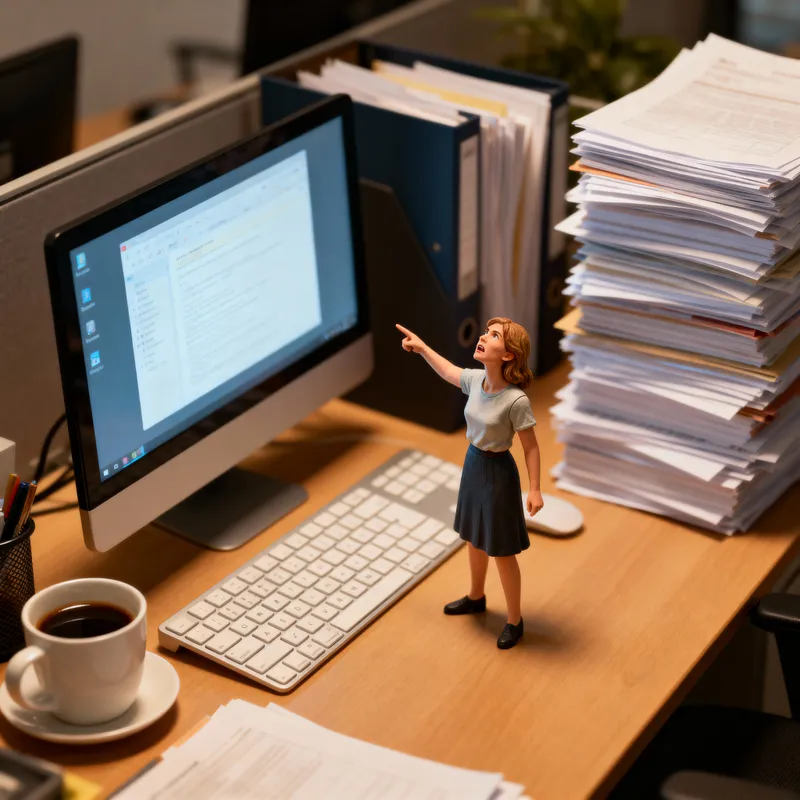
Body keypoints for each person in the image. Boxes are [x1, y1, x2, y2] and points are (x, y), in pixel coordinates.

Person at [396, 318, 543, 649]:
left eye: (494, 336)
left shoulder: (516, 401)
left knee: (502, 550)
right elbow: (448, 371)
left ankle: (515, 620)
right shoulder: (476, 381)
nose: (483, 337)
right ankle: (476, 596)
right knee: (474, 538)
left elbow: (531, 447)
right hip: (474, 464)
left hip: (499, 473)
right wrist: (421, 348)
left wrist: (534, 489)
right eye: (486, 332)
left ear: (508, 355)